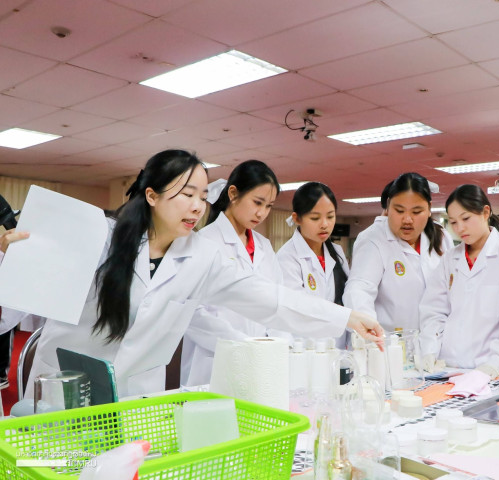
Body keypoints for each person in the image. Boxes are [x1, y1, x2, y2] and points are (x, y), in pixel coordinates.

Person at [0, 150, 383, 398]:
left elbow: (270, 299)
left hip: (136, 401)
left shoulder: (202, 257)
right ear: (152, 195)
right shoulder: (97, 236)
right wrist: (11, 257)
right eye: (186, 194)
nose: (198, 206)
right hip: (68, 393)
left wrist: (346, 317)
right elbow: (16, 303)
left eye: (202, 196)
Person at [180, 160, 290, 386]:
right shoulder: (203, 242)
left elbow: (278, 300)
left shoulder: (264, 246)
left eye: (268, 206)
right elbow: (193, 313)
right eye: (257, 202)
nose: (261, 213)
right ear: (233, 193)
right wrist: (243, 344)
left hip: (262, 363)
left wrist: (277, 344)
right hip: (213, 363)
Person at [419, 185, 499, 378]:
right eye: (453, 222)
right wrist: (430, 350)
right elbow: (434, 310)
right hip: (449, 366)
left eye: (466, 219)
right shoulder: (450, 258)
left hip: (493, 368)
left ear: (485, 212)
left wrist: (497, 362)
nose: (460, 228)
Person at [344, 173, 453, 332]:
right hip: (390, 340)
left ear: (429, 209)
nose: (407, 220)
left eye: (416, 212)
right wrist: (368, 328)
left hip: (437, 338)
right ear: (388, 206)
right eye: (399, 210)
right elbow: (359, 290)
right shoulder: (373, 239)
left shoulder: (442, 237)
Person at [277, 182, 350, 348]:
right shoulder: (286, 258)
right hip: (304, 349)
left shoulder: (337, 252)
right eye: (315, 218)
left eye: (330, 216)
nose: (324, 224)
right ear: (297, 218)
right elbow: (299, 309)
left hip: (337, 348)